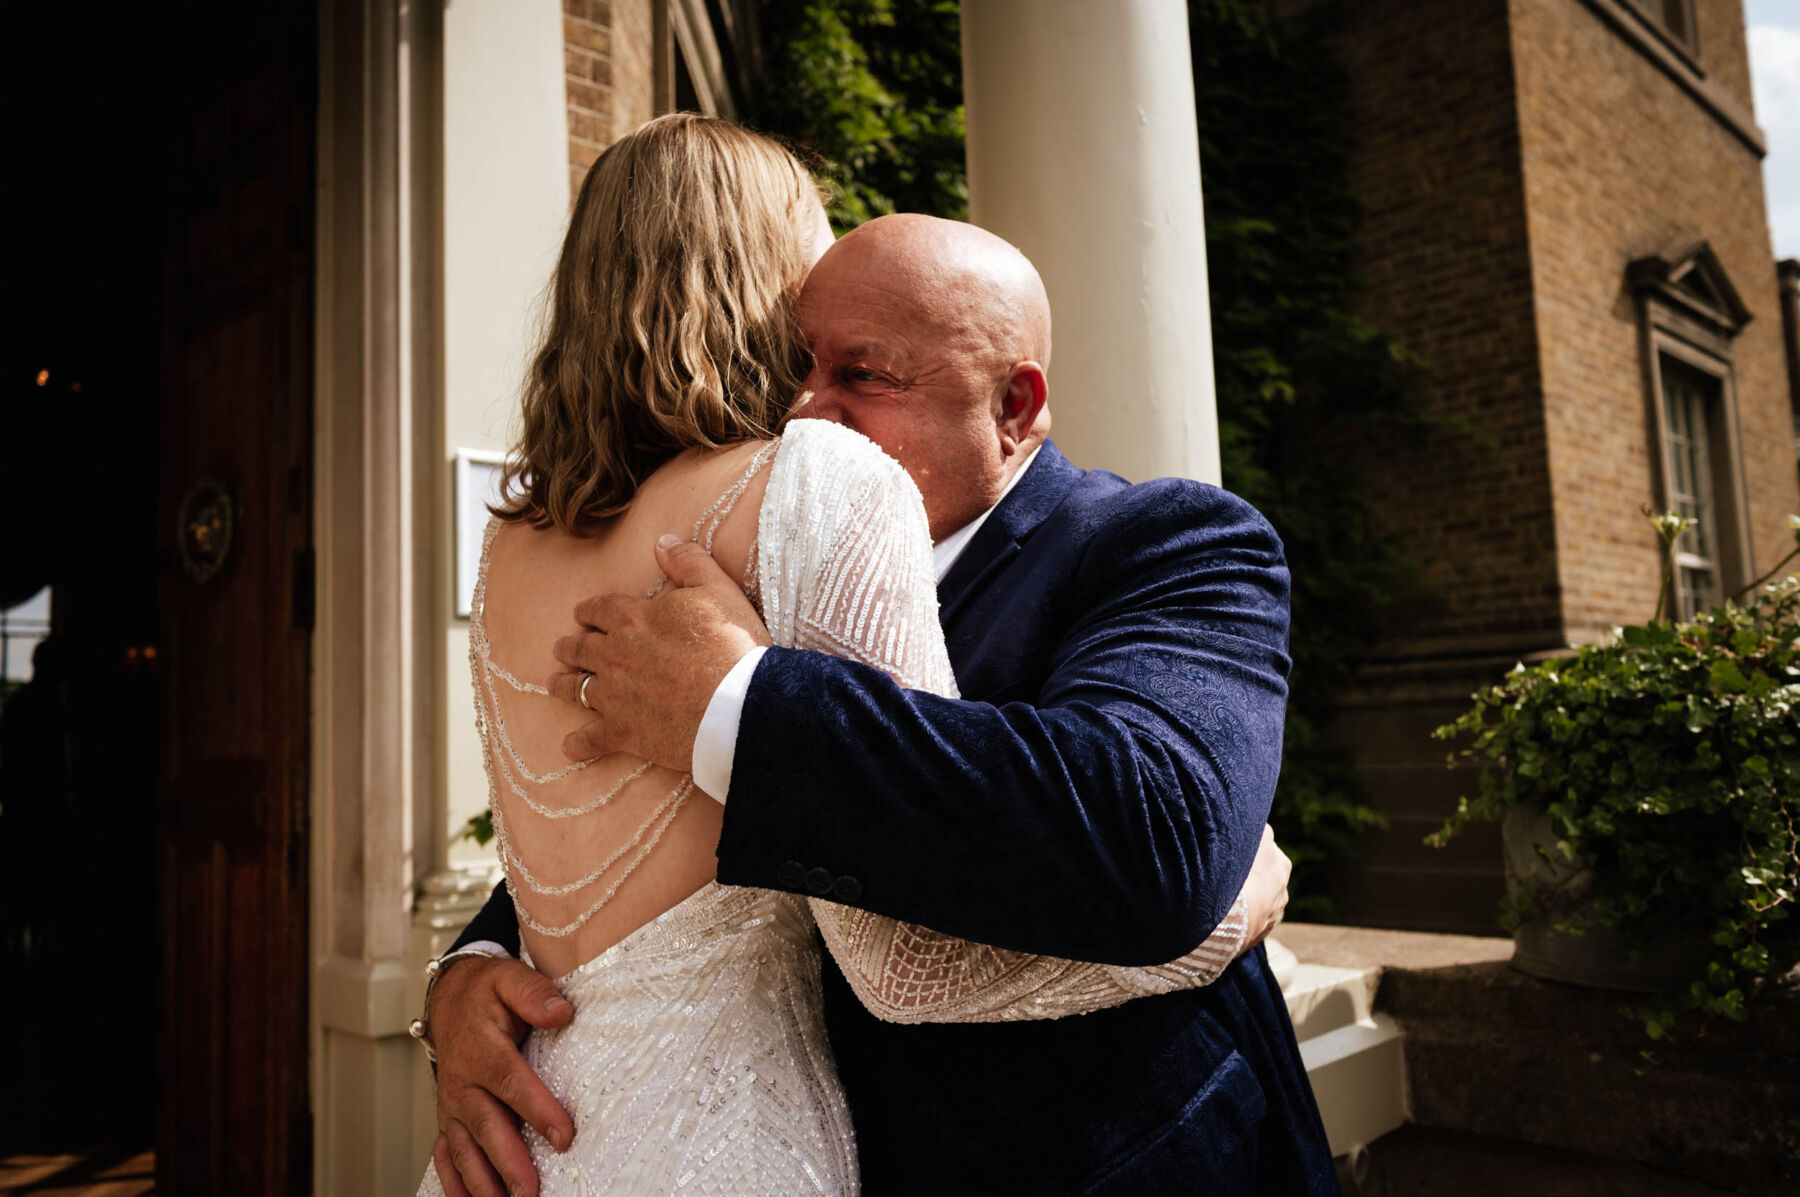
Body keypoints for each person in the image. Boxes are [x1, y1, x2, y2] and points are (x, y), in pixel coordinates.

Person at [416, 114, 1305, 1197]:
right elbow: (653, 849)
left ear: (1015, 406)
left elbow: (1152, 835)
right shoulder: (753, 527)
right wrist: (467, 975)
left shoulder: (1164, 543)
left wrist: (742, 707)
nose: (805, 409)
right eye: (795, 361)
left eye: (865, 375)